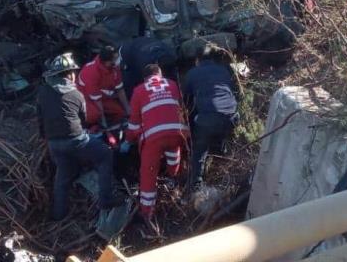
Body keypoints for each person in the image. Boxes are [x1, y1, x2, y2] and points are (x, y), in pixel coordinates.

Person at [37, 52, 118, 221]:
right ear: (69, 74)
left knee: (63, 176)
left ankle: (59, 215)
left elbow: (40, 119)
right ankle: (106, 201)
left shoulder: (43, 92)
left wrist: (46, 138)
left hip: (53, 144)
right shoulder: (76, 94)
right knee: (105, 155)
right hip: (75, 140)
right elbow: (84, 121)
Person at [123, 64, 189, 226]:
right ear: (160, 74)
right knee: (174, 153)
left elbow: (133, 125)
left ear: (145, 78)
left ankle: (147, 212)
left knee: (148, 172)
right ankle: (173, 180)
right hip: (178, 132)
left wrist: (128, 141)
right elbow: (179, 108)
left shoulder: (139, 90)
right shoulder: (172, 84)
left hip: (154, 138)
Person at [183, 44, 239, 191]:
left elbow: (186, 101)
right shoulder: (225, 69)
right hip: (231, 116)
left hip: (208, 119)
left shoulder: (192, 73)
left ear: (197, 59)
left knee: (200, 149)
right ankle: (223, 153)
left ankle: (196, 183)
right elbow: (235, 92)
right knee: (219, 128)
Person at [77, 46, 131, 128]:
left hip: (101, 95)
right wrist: (103, 123)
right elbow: (97, 100)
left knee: (120, 112)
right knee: (94, 115)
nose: (118, 60)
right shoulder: (91, 72)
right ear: (107, 62)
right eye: (116, 58)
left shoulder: (115, 68)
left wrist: (128, 110)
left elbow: (120, 89)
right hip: (86, 97)